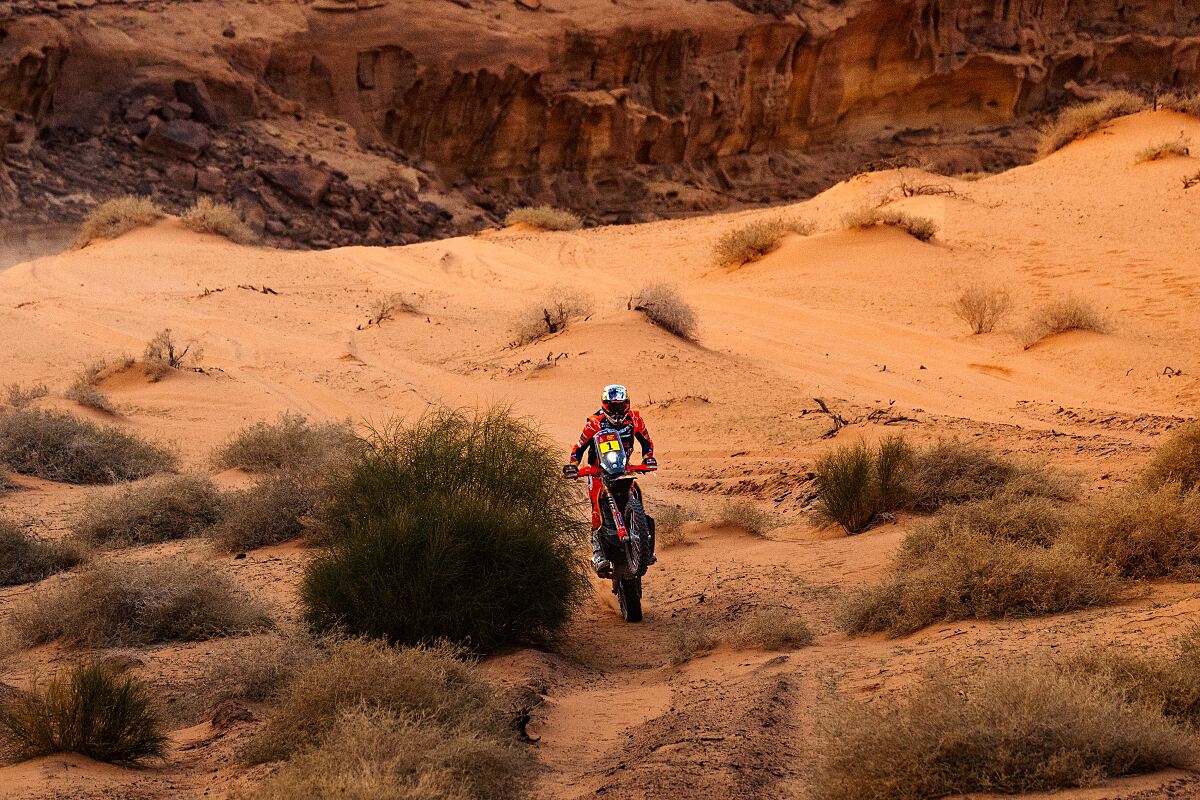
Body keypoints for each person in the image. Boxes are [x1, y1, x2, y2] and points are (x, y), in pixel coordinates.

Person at [563, 384, 657, 577]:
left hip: (623, 468)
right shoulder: (594, 423)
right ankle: (598, 554)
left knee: (636, 494)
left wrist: (648, 458)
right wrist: (573, 464)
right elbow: (579, 447)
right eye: (612, 407)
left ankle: (644, 544)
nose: (617, 411)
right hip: (598, 470)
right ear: (605, 405)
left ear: (627, 404)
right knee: (596, 509)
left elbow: (647, 442)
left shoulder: (635, 419)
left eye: (621, 406)